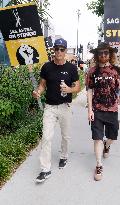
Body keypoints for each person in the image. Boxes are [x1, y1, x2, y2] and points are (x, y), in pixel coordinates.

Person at [33, 38, 80, 183]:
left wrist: (69, 89)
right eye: (56, 49)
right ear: (53, 50)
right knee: (46, 137)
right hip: (50, 107)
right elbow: (42, 85)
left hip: (65, 106)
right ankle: (45, 169)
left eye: (62, 49)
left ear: (65, 51)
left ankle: (64, 156)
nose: (58, 52)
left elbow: (77, 87)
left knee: (66, 136)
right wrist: (38, 92)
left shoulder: (71, 68)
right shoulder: (46, 67)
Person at [86, 42, 120, 181]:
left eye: (106, 53)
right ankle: (98, 164)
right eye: (100, 53)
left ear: (110, 54)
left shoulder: (117, 70)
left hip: (112, 108)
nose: (103, 55)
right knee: (97, 138)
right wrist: (90, 109)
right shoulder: (92, 71)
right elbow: (89, 90)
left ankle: (106, 146)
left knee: (112, 137)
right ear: (97, 55)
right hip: (97, 109)